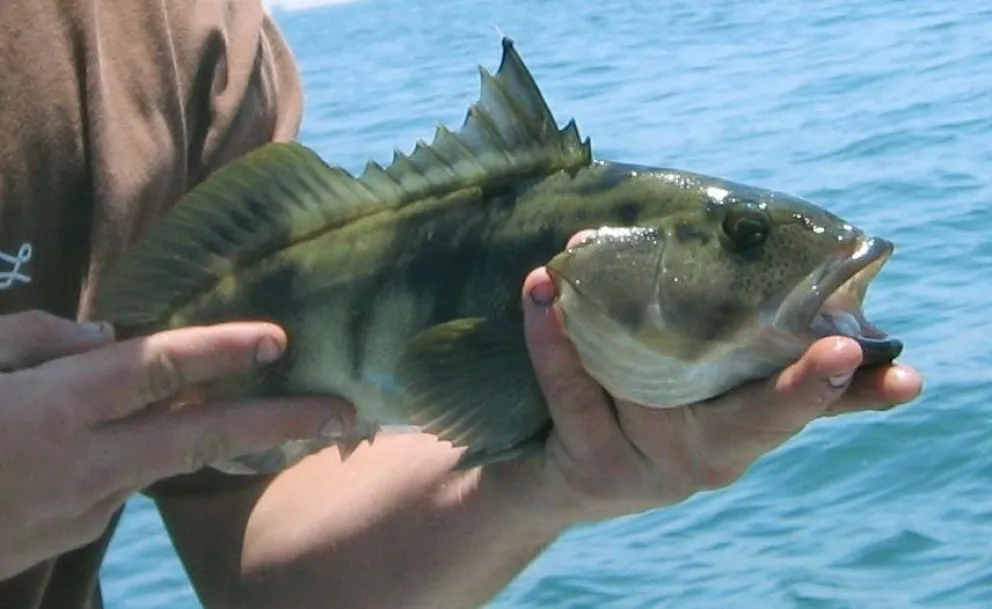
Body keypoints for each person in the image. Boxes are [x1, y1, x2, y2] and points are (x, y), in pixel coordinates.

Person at [0, 0, 922, 607]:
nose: (763, 254)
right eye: (744, 240)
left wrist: (552, 482)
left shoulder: (176, 42)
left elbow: (257, 560)